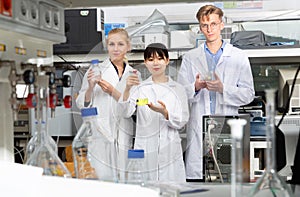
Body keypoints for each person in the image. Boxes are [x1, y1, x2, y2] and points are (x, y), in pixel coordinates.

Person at [177, 5, 255, 181]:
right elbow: (180, 94)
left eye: (213, 24)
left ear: (222, 24)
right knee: (199, 183)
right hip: (199, 127)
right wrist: (195, 87)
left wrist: (223, 89)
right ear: (200, 27)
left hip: (227, 126)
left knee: (228, 180)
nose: (209, 29)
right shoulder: (190, 57)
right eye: (205, 25)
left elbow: (248, 94)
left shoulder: (238, 56)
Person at [118, 43, 189, 182]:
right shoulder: (140, 88)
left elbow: (182, 120)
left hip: (169, 150)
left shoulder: (178, 89)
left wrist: (165, 113)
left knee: (172, 190)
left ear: (167, 61)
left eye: (160, 58)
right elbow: (126, 112)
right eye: (150, 59)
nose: (155, 63)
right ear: (145, 63)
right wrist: (127, 89)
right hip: (146, 147)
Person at [76, 28, 136, 181]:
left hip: (123, 135)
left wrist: (113, 91)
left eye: (120, 44)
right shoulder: (95, 70)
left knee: (124, 181)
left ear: (128, 47)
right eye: (111, 44)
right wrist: (90, 87)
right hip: (100, 134)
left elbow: (129, 110)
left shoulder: (134, 74)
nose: (116, 49)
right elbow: (82, 103)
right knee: (102, 181)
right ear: (107, 46)